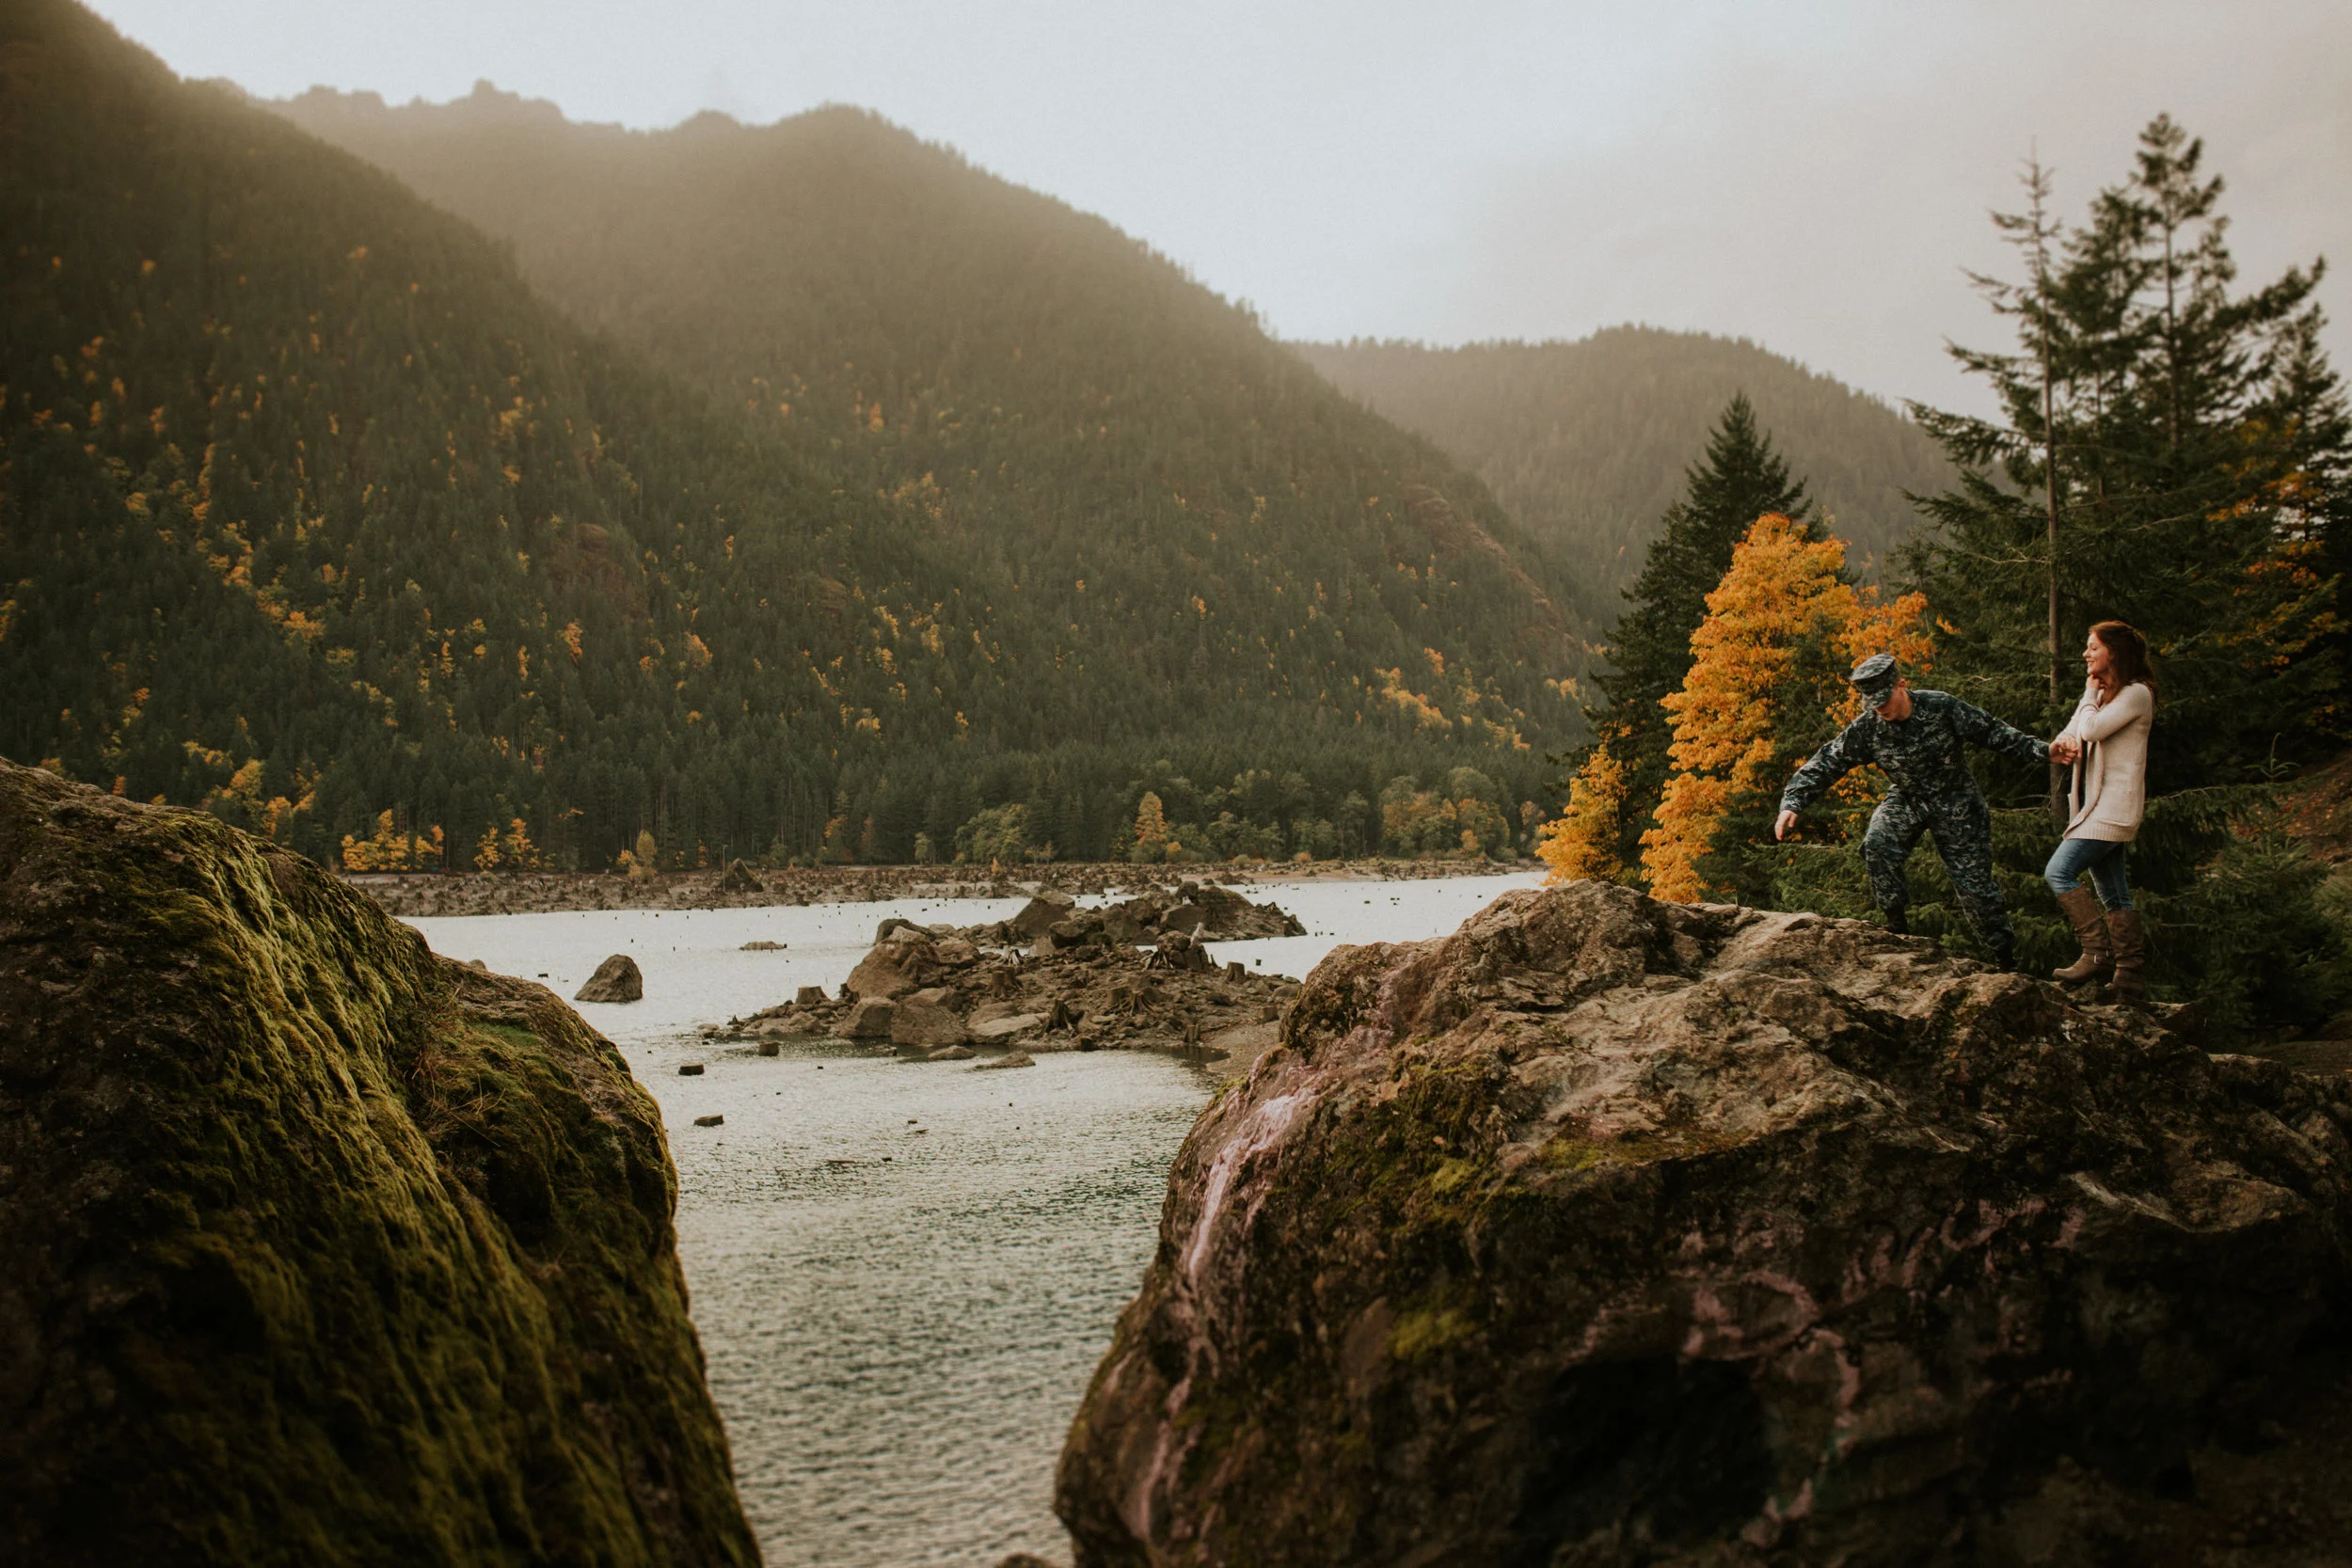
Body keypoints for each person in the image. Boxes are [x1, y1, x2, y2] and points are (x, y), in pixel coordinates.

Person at [1773, 654, 2050, 970]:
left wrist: (2044, 751)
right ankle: (1896, 929)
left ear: (1902, 686)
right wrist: (1792, 803)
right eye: (1873, 704)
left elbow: (1995, 733)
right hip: (1908, 798)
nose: (1880, 709)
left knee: (1974, 887)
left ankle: (2004, 959)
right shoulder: (1869, 727)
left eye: (1884, 699)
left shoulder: (1941, 707)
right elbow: (1828, 761)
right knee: (1877, 844)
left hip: (1957, 801)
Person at [2043, 622, 2156, 1002]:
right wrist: (2065, 742)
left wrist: (2090, 697)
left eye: (2093, 647)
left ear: (2114, 652)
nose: (2086, 654)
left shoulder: (2137, 694)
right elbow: (2074, 730)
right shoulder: (2102, 694)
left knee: (2059, 872)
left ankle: (2096, 953)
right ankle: (2130, 975)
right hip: (2095, 806)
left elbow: (2092, 730)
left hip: (2113, 808)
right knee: (2114, 893)